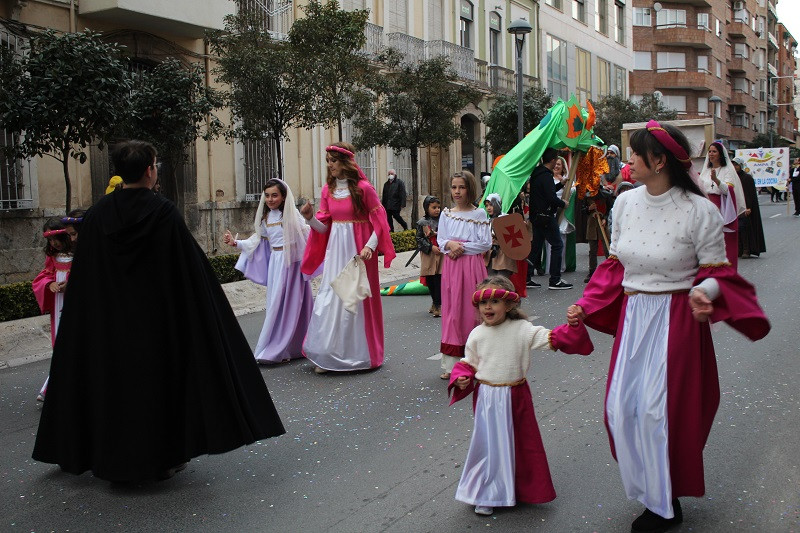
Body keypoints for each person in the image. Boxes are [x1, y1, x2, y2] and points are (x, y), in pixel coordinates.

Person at [32, 140, 285, 483]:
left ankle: (106, 454)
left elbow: (87, 276)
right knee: (155, 387)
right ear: (150, 170)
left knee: (113, 384)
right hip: (154, 321)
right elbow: (188, 271)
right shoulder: (162, 212)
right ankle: (160, 457)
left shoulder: (96, 216)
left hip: (109, 322)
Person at [567, 121, 770, 532]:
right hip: (635, 316)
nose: (627, 162)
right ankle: (649, 488)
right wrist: (586, 305)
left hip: (676, 318)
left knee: (660, 413)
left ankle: (664, 501)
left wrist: (705, 292)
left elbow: (719, 273)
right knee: (621, 409)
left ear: (658, 161)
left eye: (635, 154)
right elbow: (616, 264)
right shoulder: (625, 203)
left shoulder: (700, 211)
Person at [448, 276, 593, 516]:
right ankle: (487, 493)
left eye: (494, 301)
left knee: (520, 444)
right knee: (490, 446)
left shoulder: (522, 330)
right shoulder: (476, 334)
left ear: (509, 305)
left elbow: (554, 339)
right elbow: (468, 363)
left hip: (515, 396)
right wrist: (461, 377)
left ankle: (518, 489)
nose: (487, 307)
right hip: (487, 399)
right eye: (483, 303)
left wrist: (574, 325)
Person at [300, 142, 395, 373]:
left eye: (333, 161)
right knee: (332, 297)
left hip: (359, 251)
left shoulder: (364, 189)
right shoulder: (327, 191)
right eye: (328, 161)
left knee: (355, 299)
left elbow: (380, 222)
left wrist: (370, 247)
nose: (330, 165)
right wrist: (310, 218)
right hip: (336, 251)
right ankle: (328, 354)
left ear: (345, 162)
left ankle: (358, 355)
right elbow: (323, 229)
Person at [223, 178, 312, 363]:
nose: (270, 199)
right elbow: (257, 240)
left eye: (275, 195)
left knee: (294, 306)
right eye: (268, 195)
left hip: (293, 266)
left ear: (283, 197)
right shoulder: (265, 218)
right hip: (276, 265)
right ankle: (279, 347)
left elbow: (306, 234)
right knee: (276, 306)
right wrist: (236, 242)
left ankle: (289, 347)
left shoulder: (291, 215)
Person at [437, 170, 491, 380]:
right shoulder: (446, 214)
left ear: (470, 188)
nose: (457, 192)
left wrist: (460, 248)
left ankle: (476, 362)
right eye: (454, 187)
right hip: (451, 267)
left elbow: (485, 243)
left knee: (472, 311)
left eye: (461, 187)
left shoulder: (479, 215)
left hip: (471, 267)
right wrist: (450, 245)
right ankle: (452, 364)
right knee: (452, 312)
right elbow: (441, 240)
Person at [31, 217, 74, 402]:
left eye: (56, 238)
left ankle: (51, 388)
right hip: (59, 303)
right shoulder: (52, 257)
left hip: (75, 299)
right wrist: (50, 284)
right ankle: (52, 388)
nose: (54, 243)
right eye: (49, 240)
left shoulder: (79, 252)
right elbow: (45, 275)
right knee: (61, 345)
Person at [527, 148, 572, 290]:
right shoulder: (546, 176)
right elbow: (550, 197)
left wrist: (560, 184)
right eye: (556, 160)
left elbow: (546, 191)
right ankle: (555, 279)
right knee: (557, 245)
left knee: (535, 248)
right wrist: (562, 203)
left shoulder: (537, 173)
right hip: (546, 216)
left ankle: (527, 277)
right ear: (552, 160)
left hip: (537, 216)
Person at [699, 141, 746, 269]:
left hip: (721, 209)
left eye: (714, 151)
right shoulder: (705, 171)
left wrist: (716, 180)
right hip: (706, 208)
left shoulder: (727, 170)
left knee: (723, 242)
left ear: (720, 154)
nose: (711, 154)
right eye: (709, 151)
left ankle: (725, 271)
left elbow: (728, 191)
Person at [732, 158, 766, 259]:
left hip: (745, 207)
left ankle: (746, 249)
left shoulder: (747, 178)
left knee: (743, 228)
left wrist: (748, 207)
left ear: (741, 165)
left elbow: (749, 194)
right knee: (736, 229)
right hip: (734, 207)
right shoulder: (732, 178)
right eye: (733, 165)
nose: (735, 167)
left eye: (736, 165)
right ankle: (739, 249)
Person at [416, 195, 443, 317]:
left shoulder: (444, 221)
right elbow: (419, 239)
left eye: (438, 207)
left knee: (440, 279)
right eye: (434, 207)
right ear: (427, 208)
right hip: (429, 255)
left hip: (442, 254)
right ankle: (435, 302)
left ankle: (439, 305)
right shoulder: (422, 223)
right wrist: (430, 247)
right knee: (431, 280)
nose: (437, 210)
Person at [483, 193, 517, 278]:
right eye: (486, 206)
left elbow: (512, 238)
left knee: (502, 282)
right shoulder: (487, 221)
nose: (488, 208)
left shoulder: (505, 218)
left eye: (491, 204)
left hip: (504, 254)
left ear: (497, 204)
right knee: (490, 282)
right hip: (491, 255)